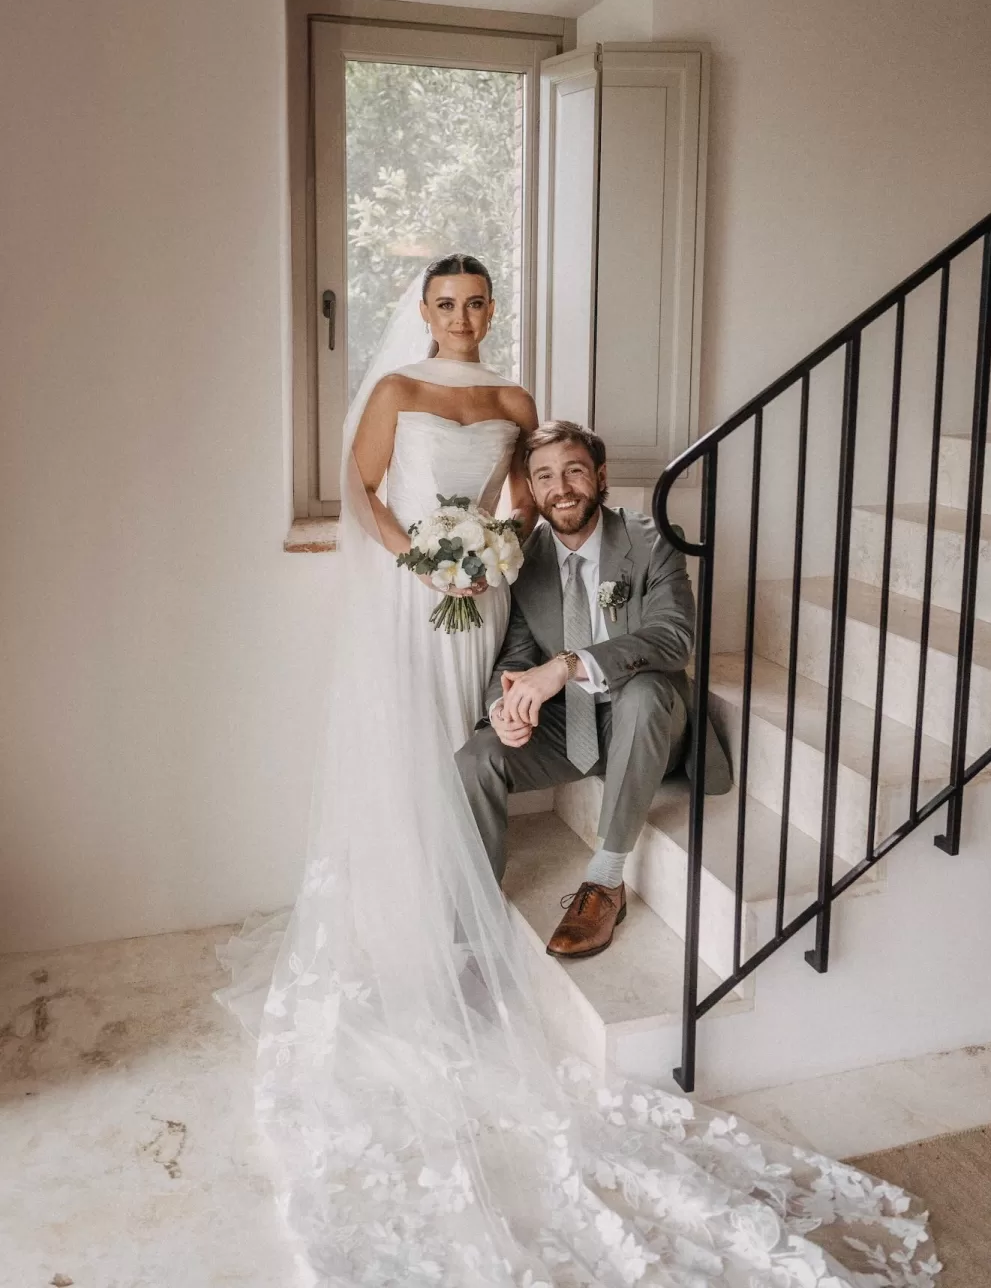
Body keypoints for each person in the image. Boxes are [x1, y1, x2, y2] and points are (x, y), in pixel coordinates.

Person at [214, 256, 937, 1287]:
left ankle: (602, 879)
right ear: (423, 311)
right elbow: (372, 494)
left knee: (638, 689)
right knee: (455, 743)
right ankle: (444, 906)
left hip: (571, 656)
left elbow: (626, 602)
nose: (462, 314)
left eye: (477, 301)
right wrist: (438, 569)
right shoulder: (405, 400)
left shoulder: (623, 518)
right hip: (430, 594)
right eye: (446, 302)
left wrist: (505, 587)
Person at [457, 420, 731, 961]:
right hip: (571, 727)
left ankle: (605, 882)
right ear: (532, 491)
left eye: (575, 471)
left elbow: (673, 638)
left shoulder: (653, 542)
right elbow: (516, 653)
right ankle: (475, 906)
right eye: (546, 477)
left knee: (646, 692)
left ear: (600, 476)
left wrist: (566, 665)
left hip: (652, 722)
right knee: (477, 758)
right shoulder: (524, 560)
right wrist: (503, 704)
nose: (562, 487)